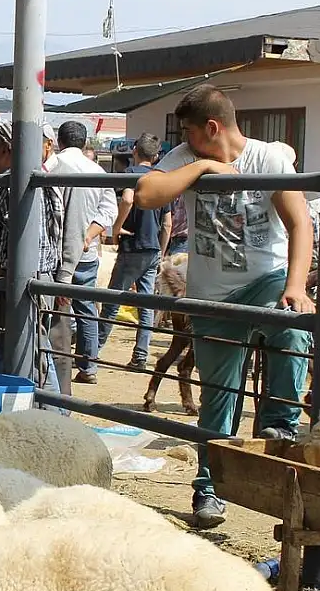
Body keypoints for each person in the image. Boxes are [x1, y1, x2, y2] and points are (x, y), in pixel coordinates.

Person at [133, 84, 315, 528]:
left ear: (211, 127)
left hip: (266, 278)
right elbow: (146, 193)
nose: (184, 138)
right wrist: (204, 166)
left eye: (190, 131)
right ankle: (208, 490)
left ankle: (280, 422)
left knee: (290, 325)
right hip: (211, 294)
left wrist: (296, 284)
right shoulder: (186, 156)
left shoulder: (267, 159)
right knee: (218, 398)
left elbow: (299, 223)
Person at [0, 120, 65, 398]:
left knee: (33, 352)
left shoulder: (24, 184)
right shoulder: (15, 181)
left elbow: (35, 240)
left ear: (5, 149)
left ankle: (53, 413)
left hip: (26, 282)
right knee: (24, 349)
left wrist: (7, 269)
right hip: (18, 280)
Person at [49, 121, 118, 385]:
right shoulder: (97, 170)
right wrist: (88, 235)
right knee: (86, 308)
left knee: (57, 311)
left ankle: (56, 366)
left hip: (58, 253)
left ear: (59, 141)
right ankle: (88, 366)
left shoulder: (55, 166)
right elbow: (109, 211)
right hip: (87, 254)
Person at [97, 133, 171, 375]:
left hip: (132, 247)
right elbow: (168, 223)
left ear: (135, 151)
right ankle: (140, 356)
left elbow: (127, 199)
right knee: (146, 306)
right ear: (157, 155)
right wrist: (161, 251)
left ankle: (92, 354)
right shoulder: (162, 179)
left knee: (112, 302)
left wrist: (116, 230)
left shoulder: (129, 174)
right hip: (152, 249)